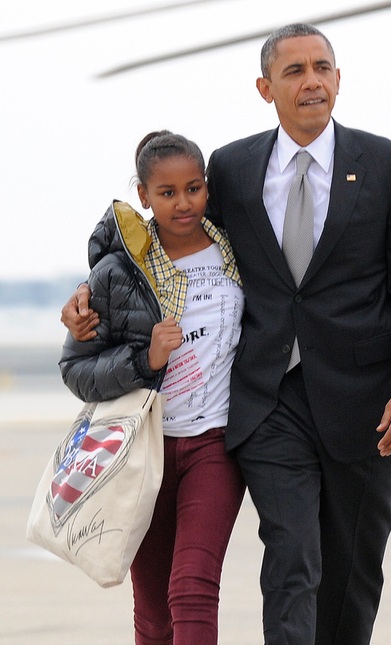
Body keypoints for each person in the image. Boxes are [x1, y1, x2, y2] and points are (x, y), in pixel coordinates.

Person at [62, 23, 391, 645]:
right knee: (291, 554)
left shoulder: (388, 166)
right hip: (268, 402)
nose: (311, 80)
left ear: (339, 80)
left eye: (322, 67)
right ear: (266, 88)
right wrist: (90, 294)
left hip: (366, 402)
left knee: (351, 570)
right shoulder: (232, 168)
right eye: (294, 71)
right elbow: (166, 241)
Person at [59, 131, 246, 644]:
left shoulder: (237, 247)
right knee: (154, 611)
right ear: (143, 195)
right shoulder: (118, 273)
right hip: (144, 451)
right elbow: (77, 369)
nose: (183, 203)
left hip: (216, 444)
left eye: (194, 188)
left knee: (192, 587)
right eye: (167, 193)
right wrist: (145, 359)